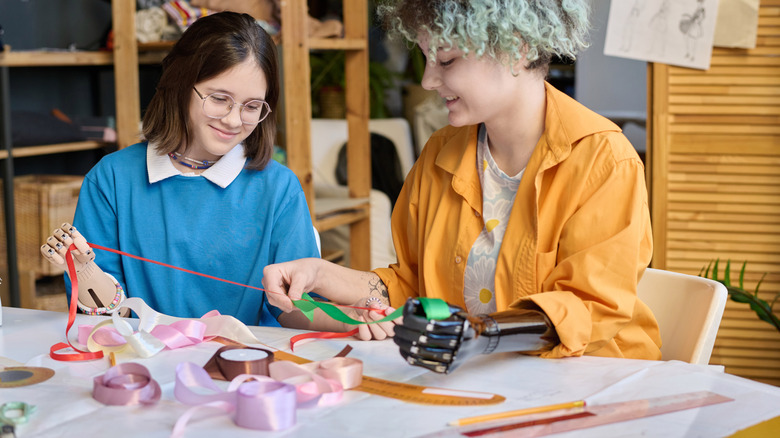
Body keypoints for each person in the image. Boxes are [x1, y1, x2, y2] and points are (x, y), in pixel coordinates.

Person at [262, 0, 662, 372]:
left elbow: (587, 309)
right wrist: (321, 275)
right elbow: (410, 285)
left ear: (516, 49)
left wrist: (477, 334)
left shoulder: (603, 160)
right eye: (425, 58)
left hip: (594, 383)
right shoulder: (440, 153)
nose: (428, 79)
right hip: (482, 382)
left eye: (446, 60)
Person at [40, 11, 320, 327]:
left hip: (249, 367)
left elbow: (303, 313)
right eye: (219, 99)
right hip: (142, 367)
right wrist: (86, 272)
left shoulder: (279, 188)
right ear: (180, 84)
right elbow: (102, 321)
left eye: (252, 106)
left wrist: (353, 316)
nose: (233, 119)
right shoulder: (112, 180)